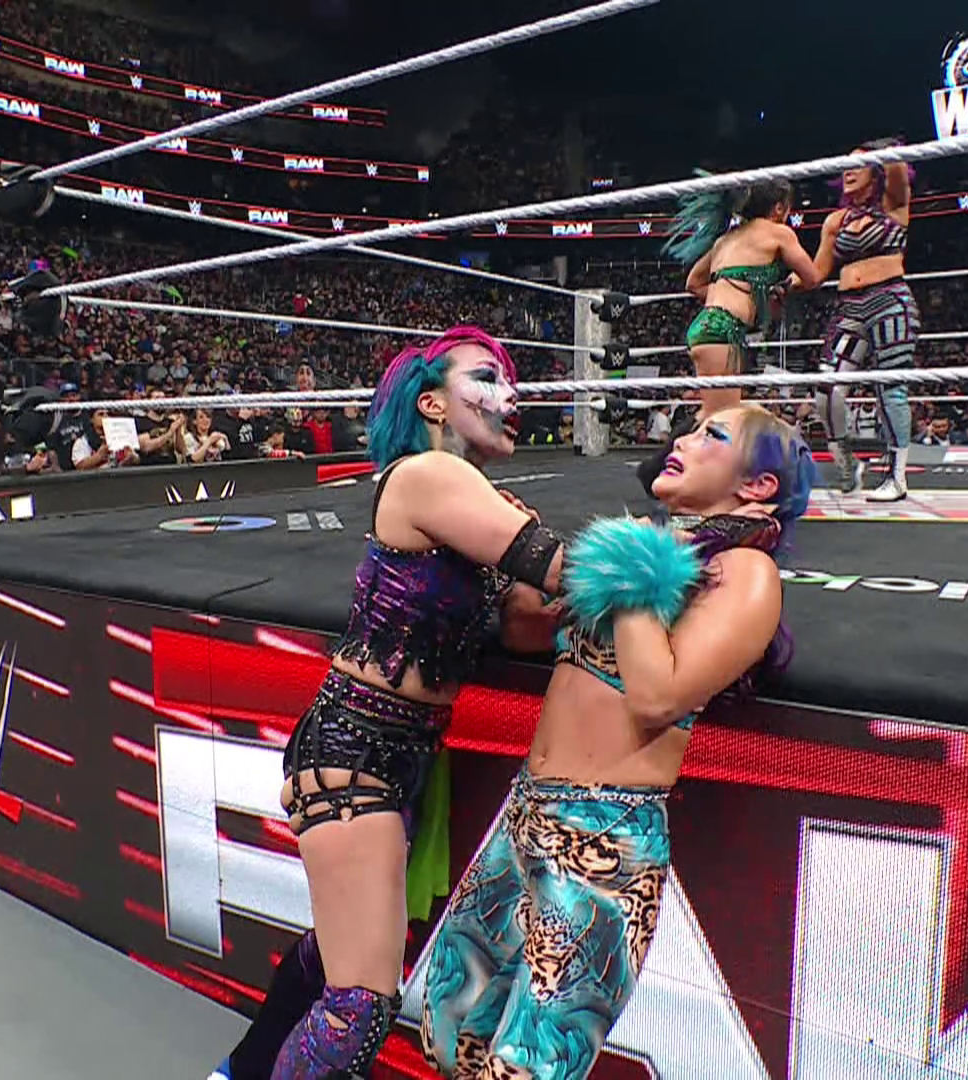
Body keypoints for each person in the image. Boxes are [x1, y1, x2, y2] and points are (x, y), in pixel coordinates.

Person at [212, 327, 567, 1080]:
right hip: (355, 751)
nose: (510, 394)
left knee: (333, 955)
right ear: (433, 403)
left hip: (393, 756)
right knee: (361, 1006)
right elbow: (556, 568)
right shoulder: (427, 475)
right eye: (486, 376)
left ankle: (237, 1071)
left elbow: (526, 626)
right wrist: (672, 564)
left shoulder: (468, 497)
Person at [422, 404, 813, 1080]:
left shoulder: (745, 574)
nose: (682, 440)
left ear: (758, 487)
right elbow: (526, 631)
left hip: (604, 844)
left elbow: (659, 696)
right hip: (525, 815)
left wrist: (633, 568)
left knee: (527, 1067)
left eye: (712, 435)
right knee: (448, 1029)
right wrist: (509, 552)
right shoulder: (660, 553)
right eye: (690, 428)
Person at [811, 138, 917, 501]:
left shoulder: (893, 205)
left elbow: (897, 168)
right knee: (826, 390)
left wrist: (882, 150)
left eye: (858, 165)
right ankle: (846, 464)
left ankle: (897, 478)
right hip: (848, 307)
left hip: (889, 300)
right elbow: (816, 272)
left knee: (890, 388)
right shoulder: (835, 221)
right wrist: (782, 282)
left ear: (875, 172)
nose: (848, 171)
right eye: (845, 165)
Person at [666, 180, 823, 413]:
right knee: (722, 418)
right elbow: (813, 277)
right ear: (779, 208)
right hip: (721, 328)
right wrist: (788, 285)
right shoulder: (779, 233)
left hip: (711, 326)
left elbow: (693, 283)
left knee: (717, 415)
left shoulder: (726, 239)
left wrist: (746, 294)